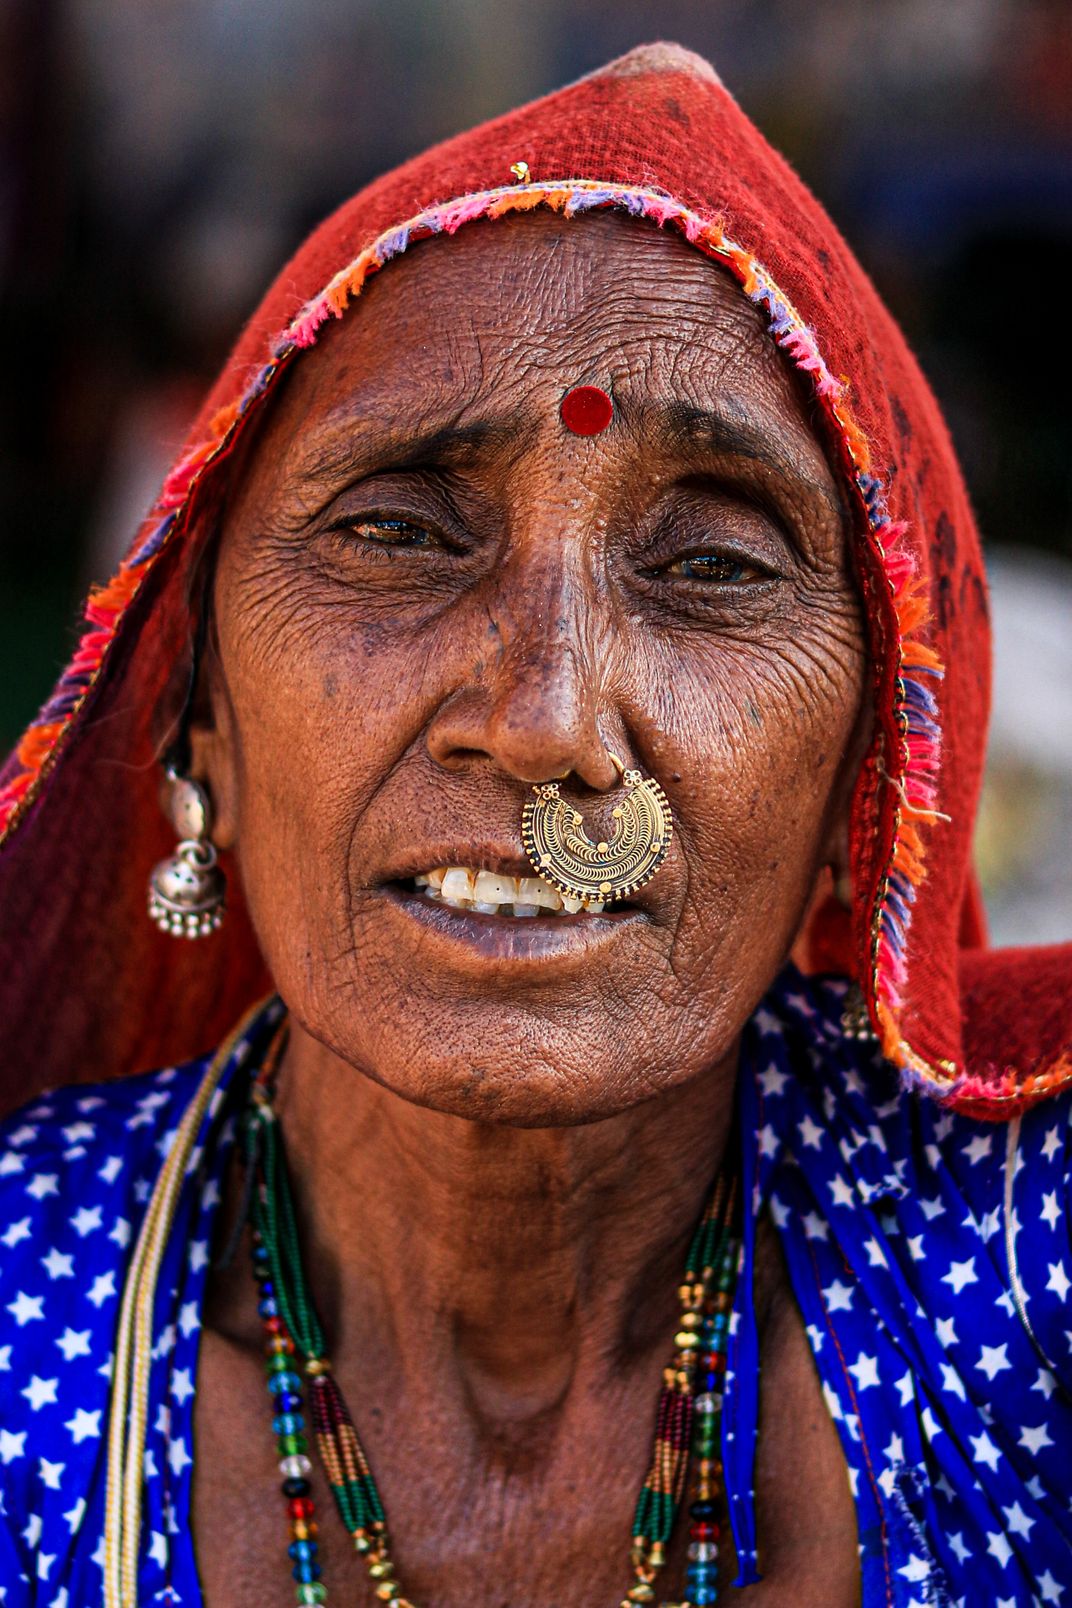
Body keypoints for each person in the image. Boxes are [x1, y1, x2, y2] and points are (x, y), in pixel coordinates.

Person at [0, 41, 1069, 1608]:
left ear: (868, 791)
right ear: (198, 721)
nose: (549, 719)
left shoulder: (1019, 1284)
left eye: (712, 566)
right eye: (397, 534)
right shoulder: (24, 1313)